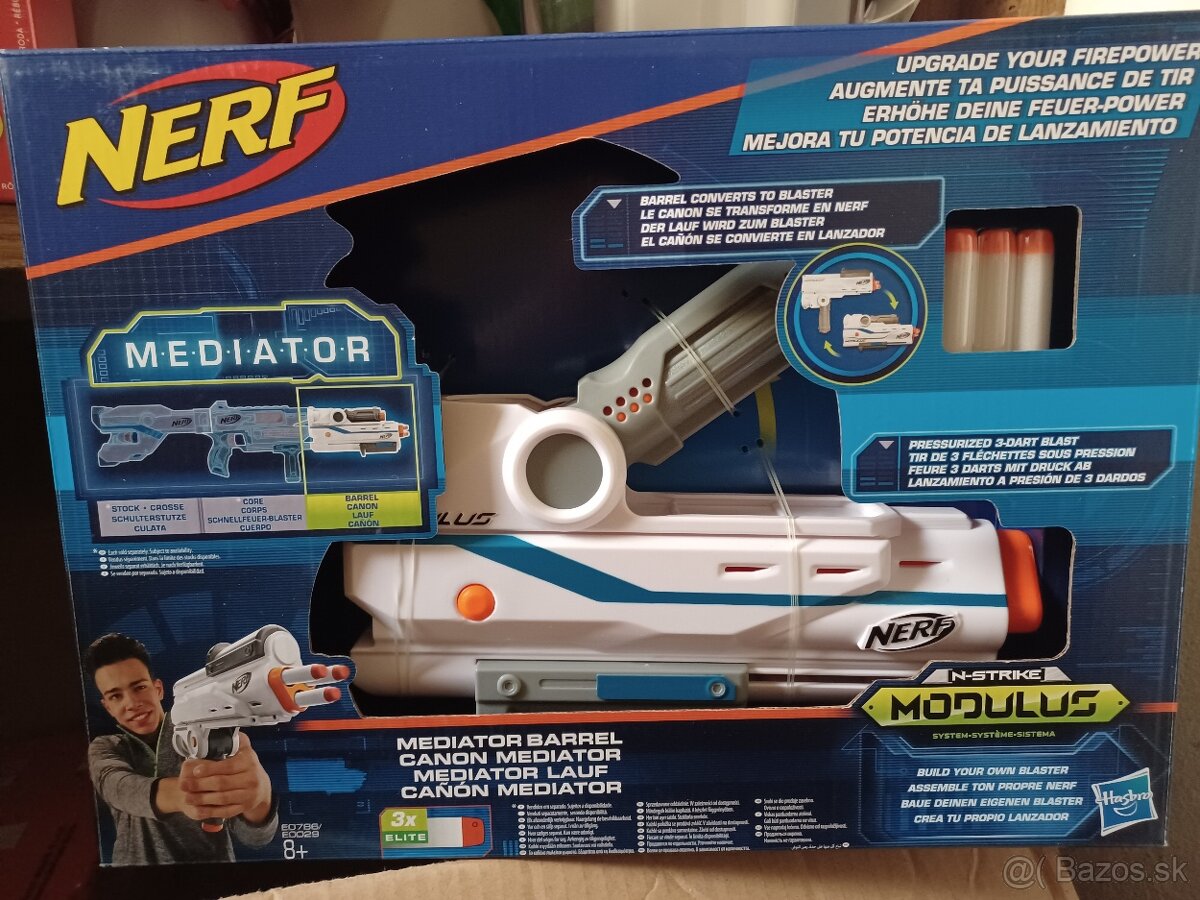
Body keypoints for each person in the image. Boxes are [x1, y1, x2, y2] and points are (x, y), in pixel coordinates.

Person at [85, 633, 279, 864]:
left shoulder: (210, 733)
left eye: (139, 687)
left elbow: (256, 838)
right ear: (107, 707)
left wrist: (260, 799)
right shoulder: (104, 747)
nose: (131, 704)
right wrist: (189, 794)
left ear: (158, 689)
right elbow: (120, 789)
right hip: (131, 880)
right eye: (116, 696)